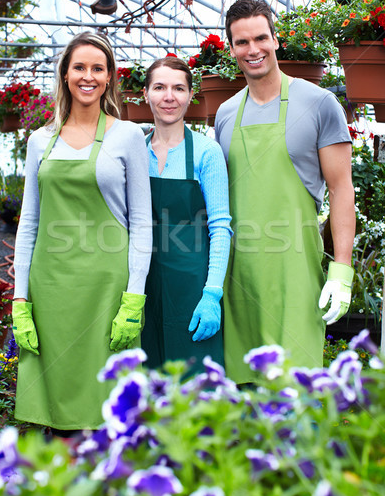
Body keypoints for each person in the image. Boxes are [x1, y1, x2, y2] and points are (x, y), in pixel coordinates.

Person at [12, 31, 152, 434]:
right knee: (56, 412)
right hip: (51, 288)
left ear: (109, 77)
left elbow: (142, 222)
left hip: (107, 290)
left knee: (108, 409)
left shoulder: (126, 136)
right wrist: (21, 297)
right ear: (65, 74)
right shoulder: (41, 141)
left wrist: (134, 295)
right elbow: (30, 221)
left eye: (98, 68)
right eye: (79, 67)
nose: (87, 76)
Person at [215, 0, 355, 384]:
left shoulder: (320, 103)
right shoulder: (225, 113)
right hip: (238, 274)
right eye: (242, 42)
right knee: (243, 395)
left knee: (297, 389)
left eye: (261, 38)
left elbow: (342, 189)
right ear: (231, 49)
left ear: (276, 40)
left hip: (295, 270)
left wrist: (341, 268)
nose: (253, 49)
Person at [141, 56, 232, 375]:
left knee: (195, 387)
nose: (169, 96)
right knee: (148, 387)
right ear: (145, 94)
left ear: (191, 95)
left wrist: (212, 294)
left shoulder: (207, 152)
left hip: (194, 288)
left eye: (178, 88)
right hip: (142, 286)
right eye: (160, 87)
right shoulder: (135, 151)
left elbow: (221, 228)